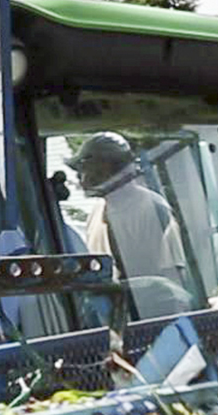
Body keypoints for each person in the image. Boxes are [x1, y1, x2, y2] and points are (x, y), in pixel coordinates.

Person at [68, 132, 195, 317]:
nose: (81, 178)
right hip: (117, 320)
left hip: (152, 319)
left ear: (106, 167)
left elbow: (174, 286)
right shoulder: (95, 213)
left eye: (85, 169)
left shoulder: (152, 208)